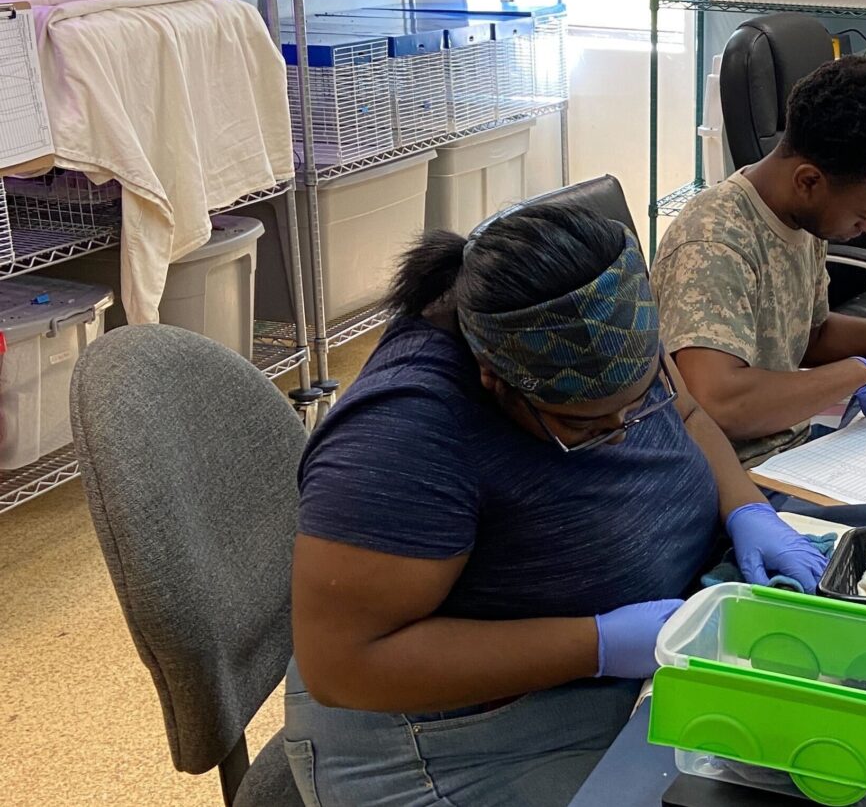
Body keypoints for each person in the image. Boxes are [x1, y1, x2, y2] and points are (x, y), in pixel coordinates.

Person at [283, 203, 829, 807]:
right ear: (496, 381)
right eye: (585, 426)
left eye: (640, 397)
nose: (625, 430)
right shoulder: (403, 436)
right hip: (463, 733)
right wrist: (597, 643)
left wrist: (748, 510)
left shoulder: (608, 325)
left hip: (632, 669)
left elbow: (687, 413)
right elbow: (344, 666)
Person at [653, 55, 866, 466]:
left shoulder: (804, 218)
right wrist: (858, 373)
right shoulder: (714, 243)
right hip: (735, 475)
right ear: (809, 181)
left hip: (793, 445)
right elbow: (717, 402)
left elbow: (810, 335)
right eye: (864, 215)